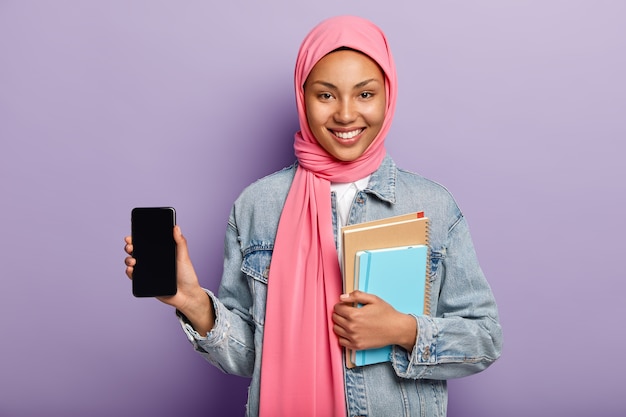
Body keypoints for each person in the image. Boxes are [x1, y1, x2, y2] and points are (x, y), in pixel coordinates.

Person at [123, 15, 502, 417]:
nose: (345, 114)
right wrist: (194, 302)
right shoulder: (256, 206)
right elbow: (254, 358)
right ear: (302, 98)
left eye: (365, 94)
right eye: (326, 95)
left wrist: (404, 331)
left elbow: (485, 338)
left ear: (387, 97)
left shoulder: (434, 206)